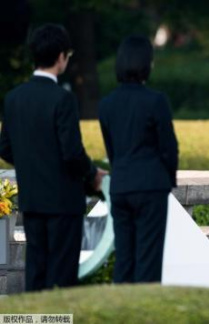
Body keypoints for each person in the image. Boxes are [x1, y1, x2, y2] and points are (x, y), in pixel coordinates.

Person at [0, 23, 106, 291]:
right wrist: (93, 174)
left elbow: (4, 147)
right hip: (63, 202)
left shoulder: (13, 98)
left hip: (32, 201)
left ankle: (35, 321)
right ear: (61, 56)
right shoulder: (63, 99)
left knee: (36, 272)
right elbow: (71, 153)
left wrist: (31, 162)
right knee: (61, 277)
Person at [98, 35, 178, 283]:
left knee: (124, 257)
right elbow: (168, 148)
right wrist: (168, 178)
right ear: (147, 64)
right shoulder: (156, 101)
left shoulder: (106, 104)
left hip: (121, 186)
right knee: (148, 258)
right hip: (151, 185)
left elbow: (112, 151)